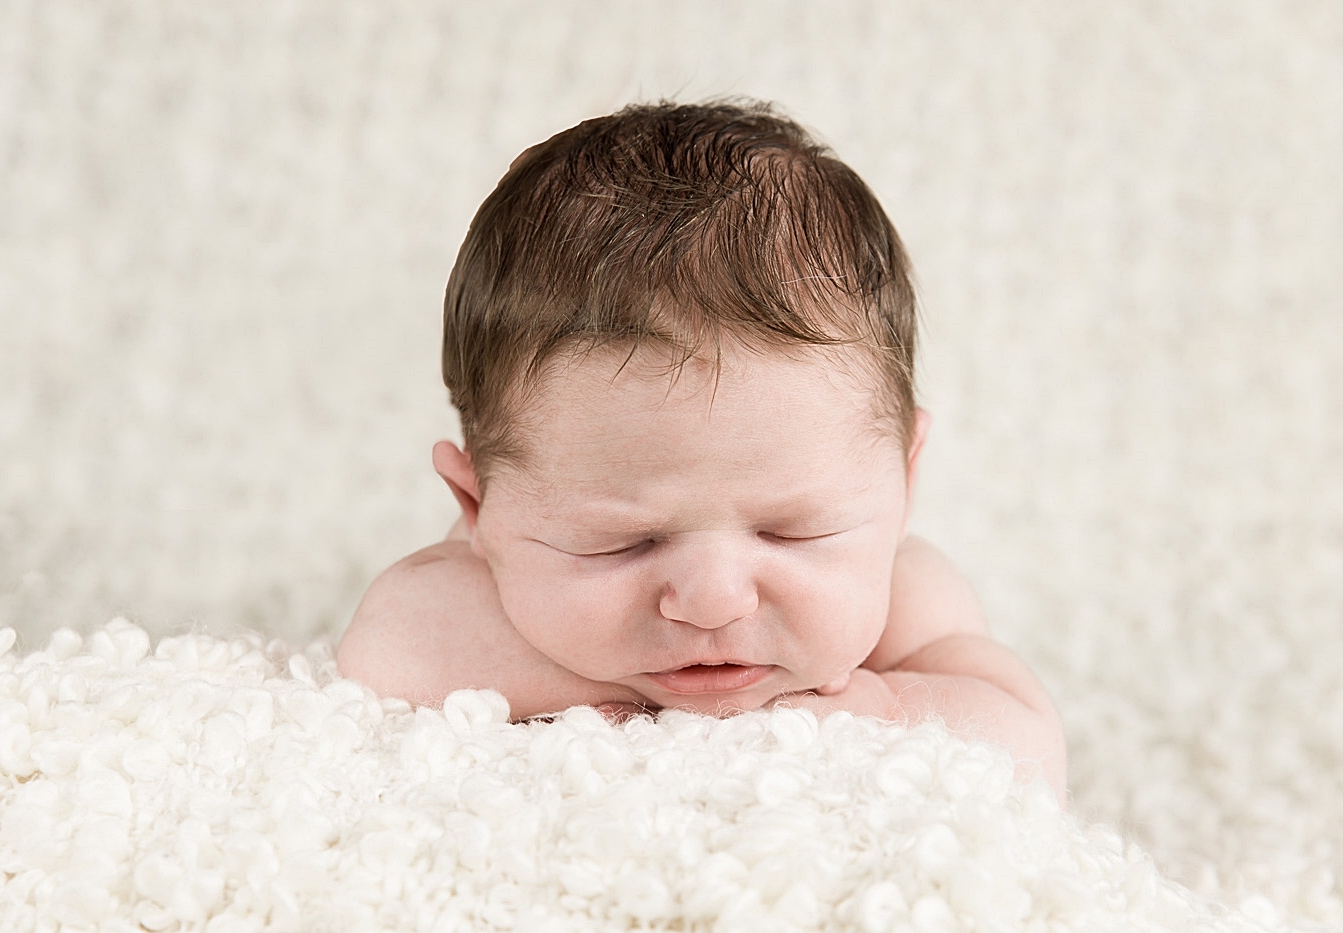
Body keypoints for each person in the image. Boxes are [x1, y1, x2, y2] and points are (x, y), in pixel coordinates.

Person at [337, 100, 1066, 797]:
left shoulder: (909, 601)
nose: (714, 600)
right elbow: (386, 657)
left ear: (902, 481)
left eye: (792, 531)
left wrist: (874, 709)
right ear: (478, 509)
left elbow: (1028, 748)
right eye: (623, 542)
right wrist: (627, 691)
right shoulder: (471, 589)